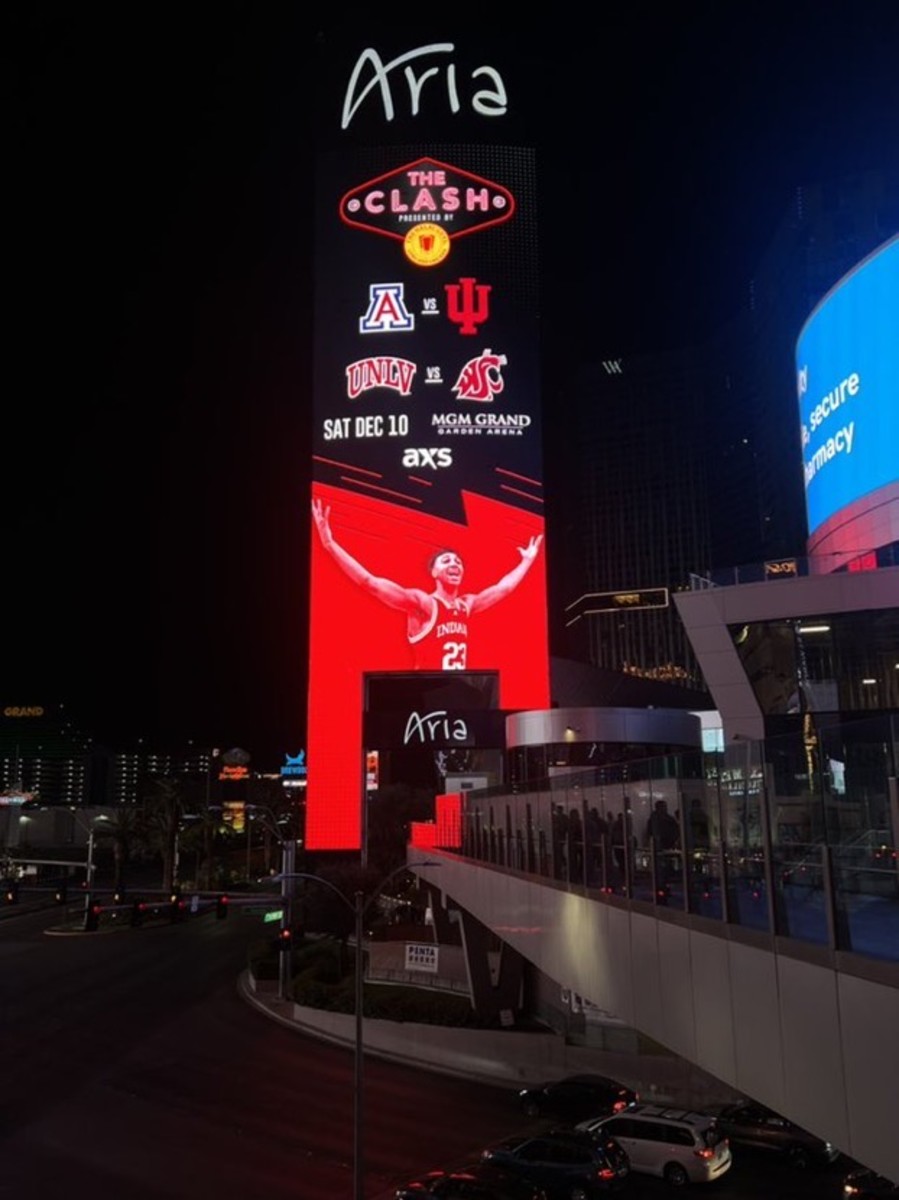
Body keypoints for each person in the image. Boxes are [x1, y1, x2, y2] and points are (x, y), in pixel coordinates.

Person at [311, 498, 543, 670]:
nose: (454, 564)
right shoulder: (422, 603)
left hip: (459, 690)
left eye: (458, 562)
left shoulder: (466, 605)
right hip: (425, 693)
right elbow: (369, 582)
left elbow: (504, 587)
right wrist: (330, 545)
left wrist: (527, 560)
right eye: (446, 561)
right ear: (434, 572)